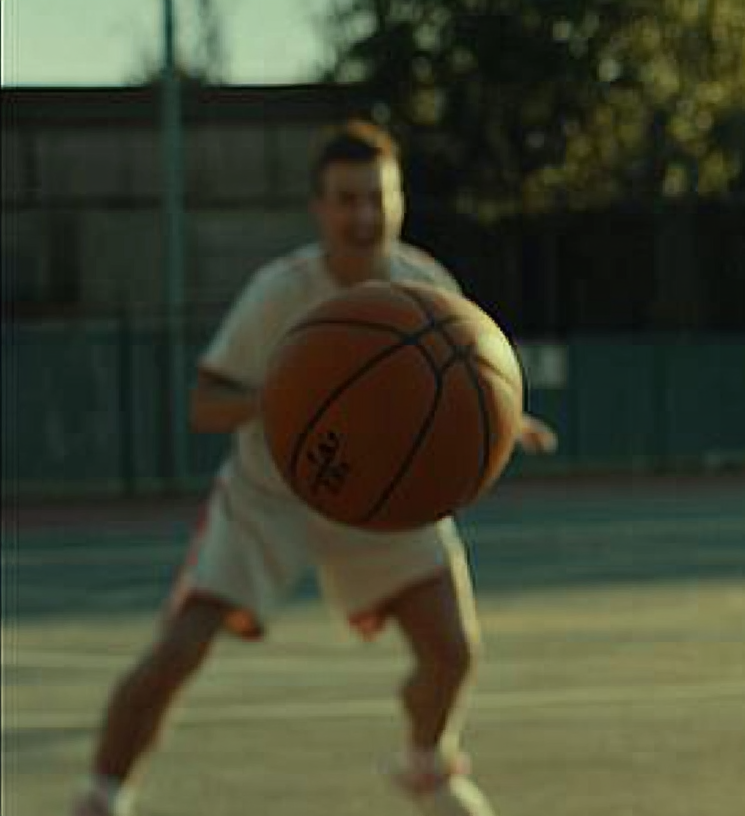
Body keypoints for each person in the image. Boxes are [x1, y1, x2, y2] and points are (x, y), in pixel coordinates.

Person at [71, 120, 558, 816]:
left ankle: (428, 765)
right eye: (346, 199)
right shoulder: (280, 291)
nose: (363, 215)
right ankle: (101, 794)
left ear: (399, 202)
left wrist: (502, 422)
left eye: (376, 198)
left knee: (453, 652)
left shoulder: (426, 287)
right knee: (178, 652)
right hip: (273, 495)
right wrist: (291, 400)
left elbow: (467, 392)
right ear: (319, 208)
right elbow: (204, 403)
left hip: (388, 501)